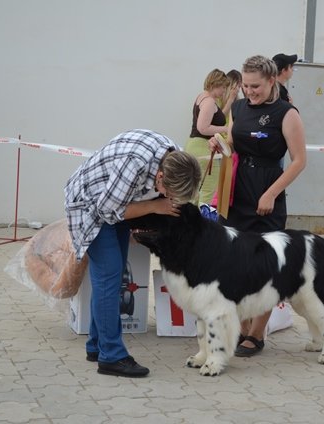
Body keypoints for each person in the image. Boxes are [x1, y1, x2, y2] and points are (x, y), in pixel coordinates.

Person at [64, 129, 201, 377]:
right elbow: (106, 211)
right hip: (90, 206)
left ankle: (96, 345)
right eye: (168, 193)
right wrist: (154, 206)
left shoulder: (177, 158)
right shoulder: (134, 164)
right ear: (160, 177)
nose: (169, 198)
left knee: (113, 280)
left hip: (115, 203)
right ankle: (111, 357)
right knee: (109, 278)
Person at [209, 55, 306, 357]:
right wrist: (219, 142)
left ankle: (257, 333)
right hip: (236, 192)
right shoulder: (237, 107)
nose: (250, 92)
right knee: (234, 263)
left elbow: (300, 161)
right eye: (246, 86)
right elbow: (235, 140)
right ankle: (242, 324)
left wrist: (271, 193)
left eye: (256, 86)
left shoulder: (286, 113)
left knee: (265, 266)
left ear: (272, 80)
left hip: (267, 194)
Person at [185, 69, 230, 205]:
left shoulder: (201, 97)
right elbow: (203, 128)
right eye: (223, 87)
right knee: (208, 189)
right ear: (215, 84)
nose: (224, 91)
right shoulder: (209, 101)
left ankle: (192, 222)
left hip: (194, 145)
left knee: (196, 190)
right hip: (203, 147)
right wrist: (226, 129)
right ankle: (204, 222)